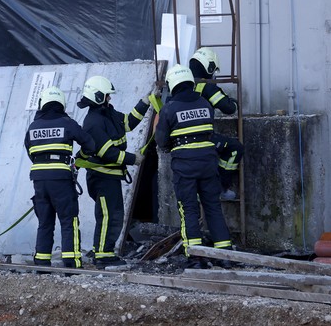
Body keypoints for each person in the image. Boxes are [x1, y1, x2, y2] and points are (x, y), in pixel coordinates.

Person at [154, 64, 233, 268]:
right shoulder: (205, 104)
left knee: (189, 209)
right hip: (208, 163)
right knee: (213, 206)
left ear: (173, 84)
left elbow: (161, 141)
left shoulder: (169, 109)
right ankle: (224, 254)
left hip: (185, 166)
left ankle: (196, 257)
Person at [75, 75, 149, 267]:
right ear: (98, 96)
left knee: (113, 215)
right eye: (107, 95)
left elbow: (128, 122)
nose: (110, 98)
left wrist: (145, 103)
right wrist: (133, 159)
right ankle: (102, 255)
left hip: (110, 177)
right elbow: (107, 153)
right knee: (108, 216)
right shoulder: (93, 122)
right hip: (101, 177)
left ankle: (104, 251)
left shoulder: (108, 114)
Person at [25, 85, 97, 269]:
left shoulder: (33, 127)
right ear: (61, 104)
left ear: (42, 103)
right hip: (61, 179)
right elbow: (90, 145)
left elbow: (31, 152)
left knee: (45, 221)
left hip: (39, 180)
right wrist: (78, 159)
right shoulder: (67, 123)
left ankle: (42, 263)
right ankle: (72, 263)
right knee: (68, 220)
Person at [189, 47, 244, 200]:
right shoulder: (206, 86)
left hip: (181, 142)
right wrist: (233, 101)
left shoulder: (181, 84)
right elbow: (229, 108)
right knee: (235, 148)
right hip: (203, 139)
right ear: (208, 67)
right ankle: (221, 188)